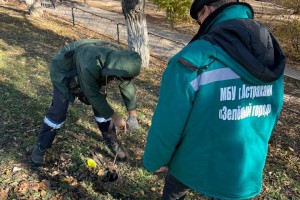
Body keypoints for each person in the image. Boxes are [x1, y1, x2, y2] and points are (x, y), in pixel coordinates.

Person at [143, 0, 285, 199]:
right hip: (244, 168)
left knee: (174, 194)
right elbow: (274, 109)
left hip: (191, 161)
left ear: (205, 10)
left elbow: (169, 120)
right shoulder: (271, 54)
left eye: (199, 19)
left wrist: (155, 159)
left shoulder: (195, 55)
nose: (200, 25)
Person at [31, 39, 142, 165]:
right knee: (58, 112)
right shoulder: (90, 63)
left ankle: (112, 141)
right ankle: (41, 146)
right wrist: (116, 117)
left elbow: (126, 83)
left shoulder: (123, 61)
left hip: (93, 69)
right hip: (65, 69)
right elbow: (92, 95)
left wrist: (132, 115)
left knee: (102, 110)